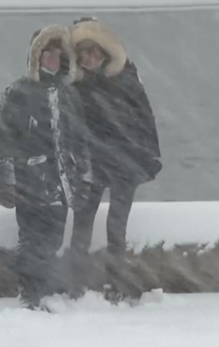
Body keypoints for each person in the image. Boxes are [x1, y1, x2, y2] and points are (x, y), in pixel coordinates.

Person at [0, 25, 92, 311]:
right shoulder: (18, 92)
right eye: (47, 54)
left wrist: (83, 175)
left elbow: (79, 138)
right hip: (30, 180)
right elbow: (2, 139)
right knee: (32, 239)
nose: (53, 59)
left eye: (58, 54)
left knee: (53, 238)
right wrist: (6, 181)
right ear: (36, 56)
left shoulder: (69, 94)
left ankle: (42, 289)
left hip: (61, 182)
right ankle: (30, 295)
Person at [66, 17, 162, 304]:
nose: (90, 58)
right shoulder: (74, 84)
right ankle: (75, 286)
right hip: (91, 165)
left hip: (123, 164)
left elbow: (143, 119)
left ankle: (115, 286)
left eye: (95, 52)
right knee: (82, 226)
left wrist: (145, 155)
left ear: (104, 52)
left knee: (115, 229)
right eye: (84, 53)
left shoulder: (124, 78)